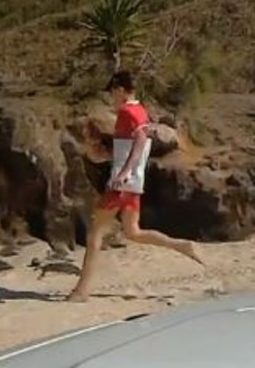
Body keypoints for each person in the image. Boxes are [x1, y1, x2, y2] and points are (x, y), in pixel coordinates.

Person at [66, 70, 204, 302]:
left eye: (112, 91)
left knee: (94, 235)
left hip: (122, 183)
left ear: (120, 89)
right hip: (132, 184)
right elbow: (130, 147)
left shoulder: (129, 112)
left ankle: (82, 291)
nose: (111, 96)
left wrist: (125, 171)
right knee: (133, 232)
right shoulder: (138, 111)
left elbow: (141, 139)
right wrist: (105, 157)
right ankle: (181, 246)